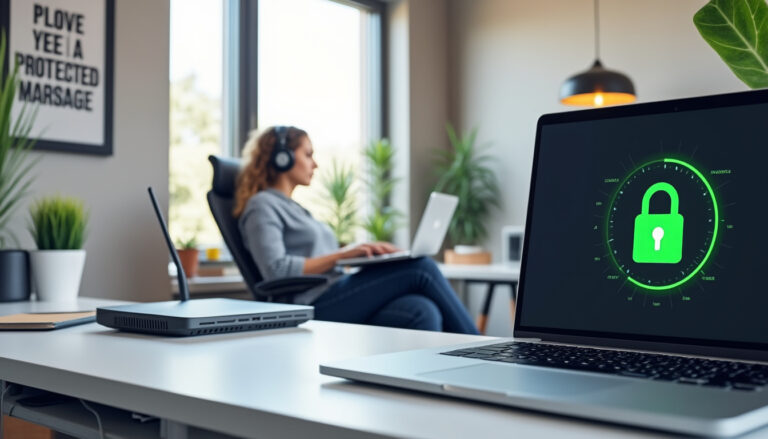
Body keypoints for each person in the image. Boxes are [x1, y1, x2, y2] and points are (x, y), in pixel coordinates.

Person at [233, 126, 478, 335]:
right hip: (311, 303)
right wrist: (342, 255)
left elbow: (320, 259)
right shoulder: (261, 205)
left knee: (422, 310)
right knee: (421, 268)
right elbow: (276, 270)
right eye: (308, 154)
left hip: (335, 292)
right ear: (282, 158)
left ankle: (428, 385)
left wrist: (365, 255)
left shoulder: (295, 208)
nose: (315, 164)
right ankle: (487, 352)